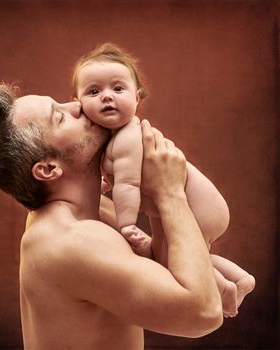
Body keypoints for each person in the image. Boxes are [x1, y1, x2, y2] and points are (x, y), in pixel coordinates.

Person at [0, 83, 223, 349]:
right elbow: (203, 313)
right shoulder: (71, 241)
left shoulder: (91, 212)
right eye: (60, 117)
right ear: (48, 168)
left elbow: (165, 267)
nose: (77, 105)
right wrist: (169, 192)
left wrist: (152, 185)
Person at [72, 42, 255, 318]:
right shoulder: (109, 140)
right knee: (169, 261)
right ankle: (239, 279)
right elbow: (111, 181)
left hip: (198, 208)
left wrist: (127, 224)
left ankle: (226, 293)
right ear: (78, 103)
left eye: (118, 88)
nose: (107, 97)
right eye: (94, 91)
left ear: (137, 98)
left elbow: (127, 185)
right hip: (191, 206)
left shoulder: (127, 138)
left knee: (176, 265)